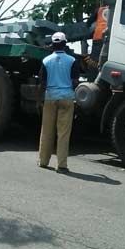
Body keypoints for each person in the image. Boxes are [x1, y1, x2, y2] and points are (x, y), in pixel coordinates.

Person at [38, 32, 79, 174]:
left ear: (52, 45)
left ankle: (43, 161)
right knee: (63, 133)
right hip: (67, 97)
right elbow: (75, 82)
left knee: (47, 130)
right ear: (65, 44)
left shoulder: (46, 60)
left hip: (50, 97)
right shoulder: (72, 60)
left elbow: (42, 83)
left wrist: (40, 99)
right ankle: (61, 165)